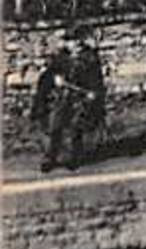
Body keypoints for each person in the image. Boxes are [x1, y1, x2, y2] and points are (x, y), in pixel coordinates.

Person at [31, 24, 107, 172]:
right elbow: (47, 76)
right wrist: (55, 78)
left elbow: (97, 79)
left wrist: (94, 93)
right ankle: (50, 157)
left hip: (81, 99)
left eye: (77, 39)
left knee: (75, 127)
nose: (75, 43)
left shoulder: (90, 57)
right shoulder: (61, 58)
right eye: (71, 40)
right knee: (55, 125)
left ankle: (74, 157)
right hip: (63, 97)